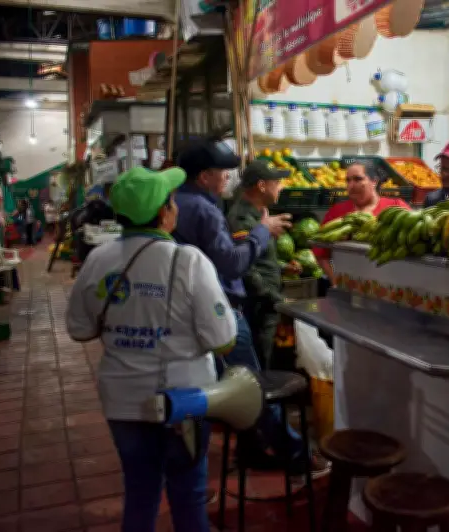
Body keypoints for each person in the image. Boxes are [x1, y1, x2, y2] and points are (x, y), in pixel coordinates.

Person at [66, 166, 235, 532]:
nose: (175, 206)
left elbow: (79, 330)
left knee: (140, 492)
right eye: (171, 201)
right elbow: (224, 340)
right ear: (163, 213)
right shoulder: (188, 260)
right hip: (184, 402)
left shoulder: (98, 259)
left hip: (123, 400)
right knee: (188, 495)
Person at [174, 137, 329, 475]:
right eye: (223, 172)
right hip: (222, 309)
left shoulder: (179, 202)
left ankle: (253, 449)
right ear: (204, 176)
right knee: (252, 385)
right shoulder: (205, 208)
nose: (228, 178)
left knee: (236, 384)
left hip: (195, 310)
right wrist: (262, 232)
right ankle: (296, 455)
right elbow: (231, 263)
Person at [227, 160, 300, 370]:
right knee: (261, 364)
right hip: (257, 306)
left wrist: (282, 267)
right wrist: (277, 299)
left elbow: (257, 257)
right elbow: (246, 269)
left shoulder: (259, 215)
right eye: (276, 182)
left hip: (266, 303)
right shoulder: (242, 218)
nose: (281, 186)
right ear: (261, 186)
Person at [313, 161, 410, 284]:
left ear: (374, 181)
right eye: (348, 181)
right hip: (351, 285)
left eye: (358, 179)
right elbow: (320, 253)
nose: (351, 186)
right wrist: (335, 280)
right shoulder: (337, 212)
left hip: (392, 283)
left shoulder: (396, 206)